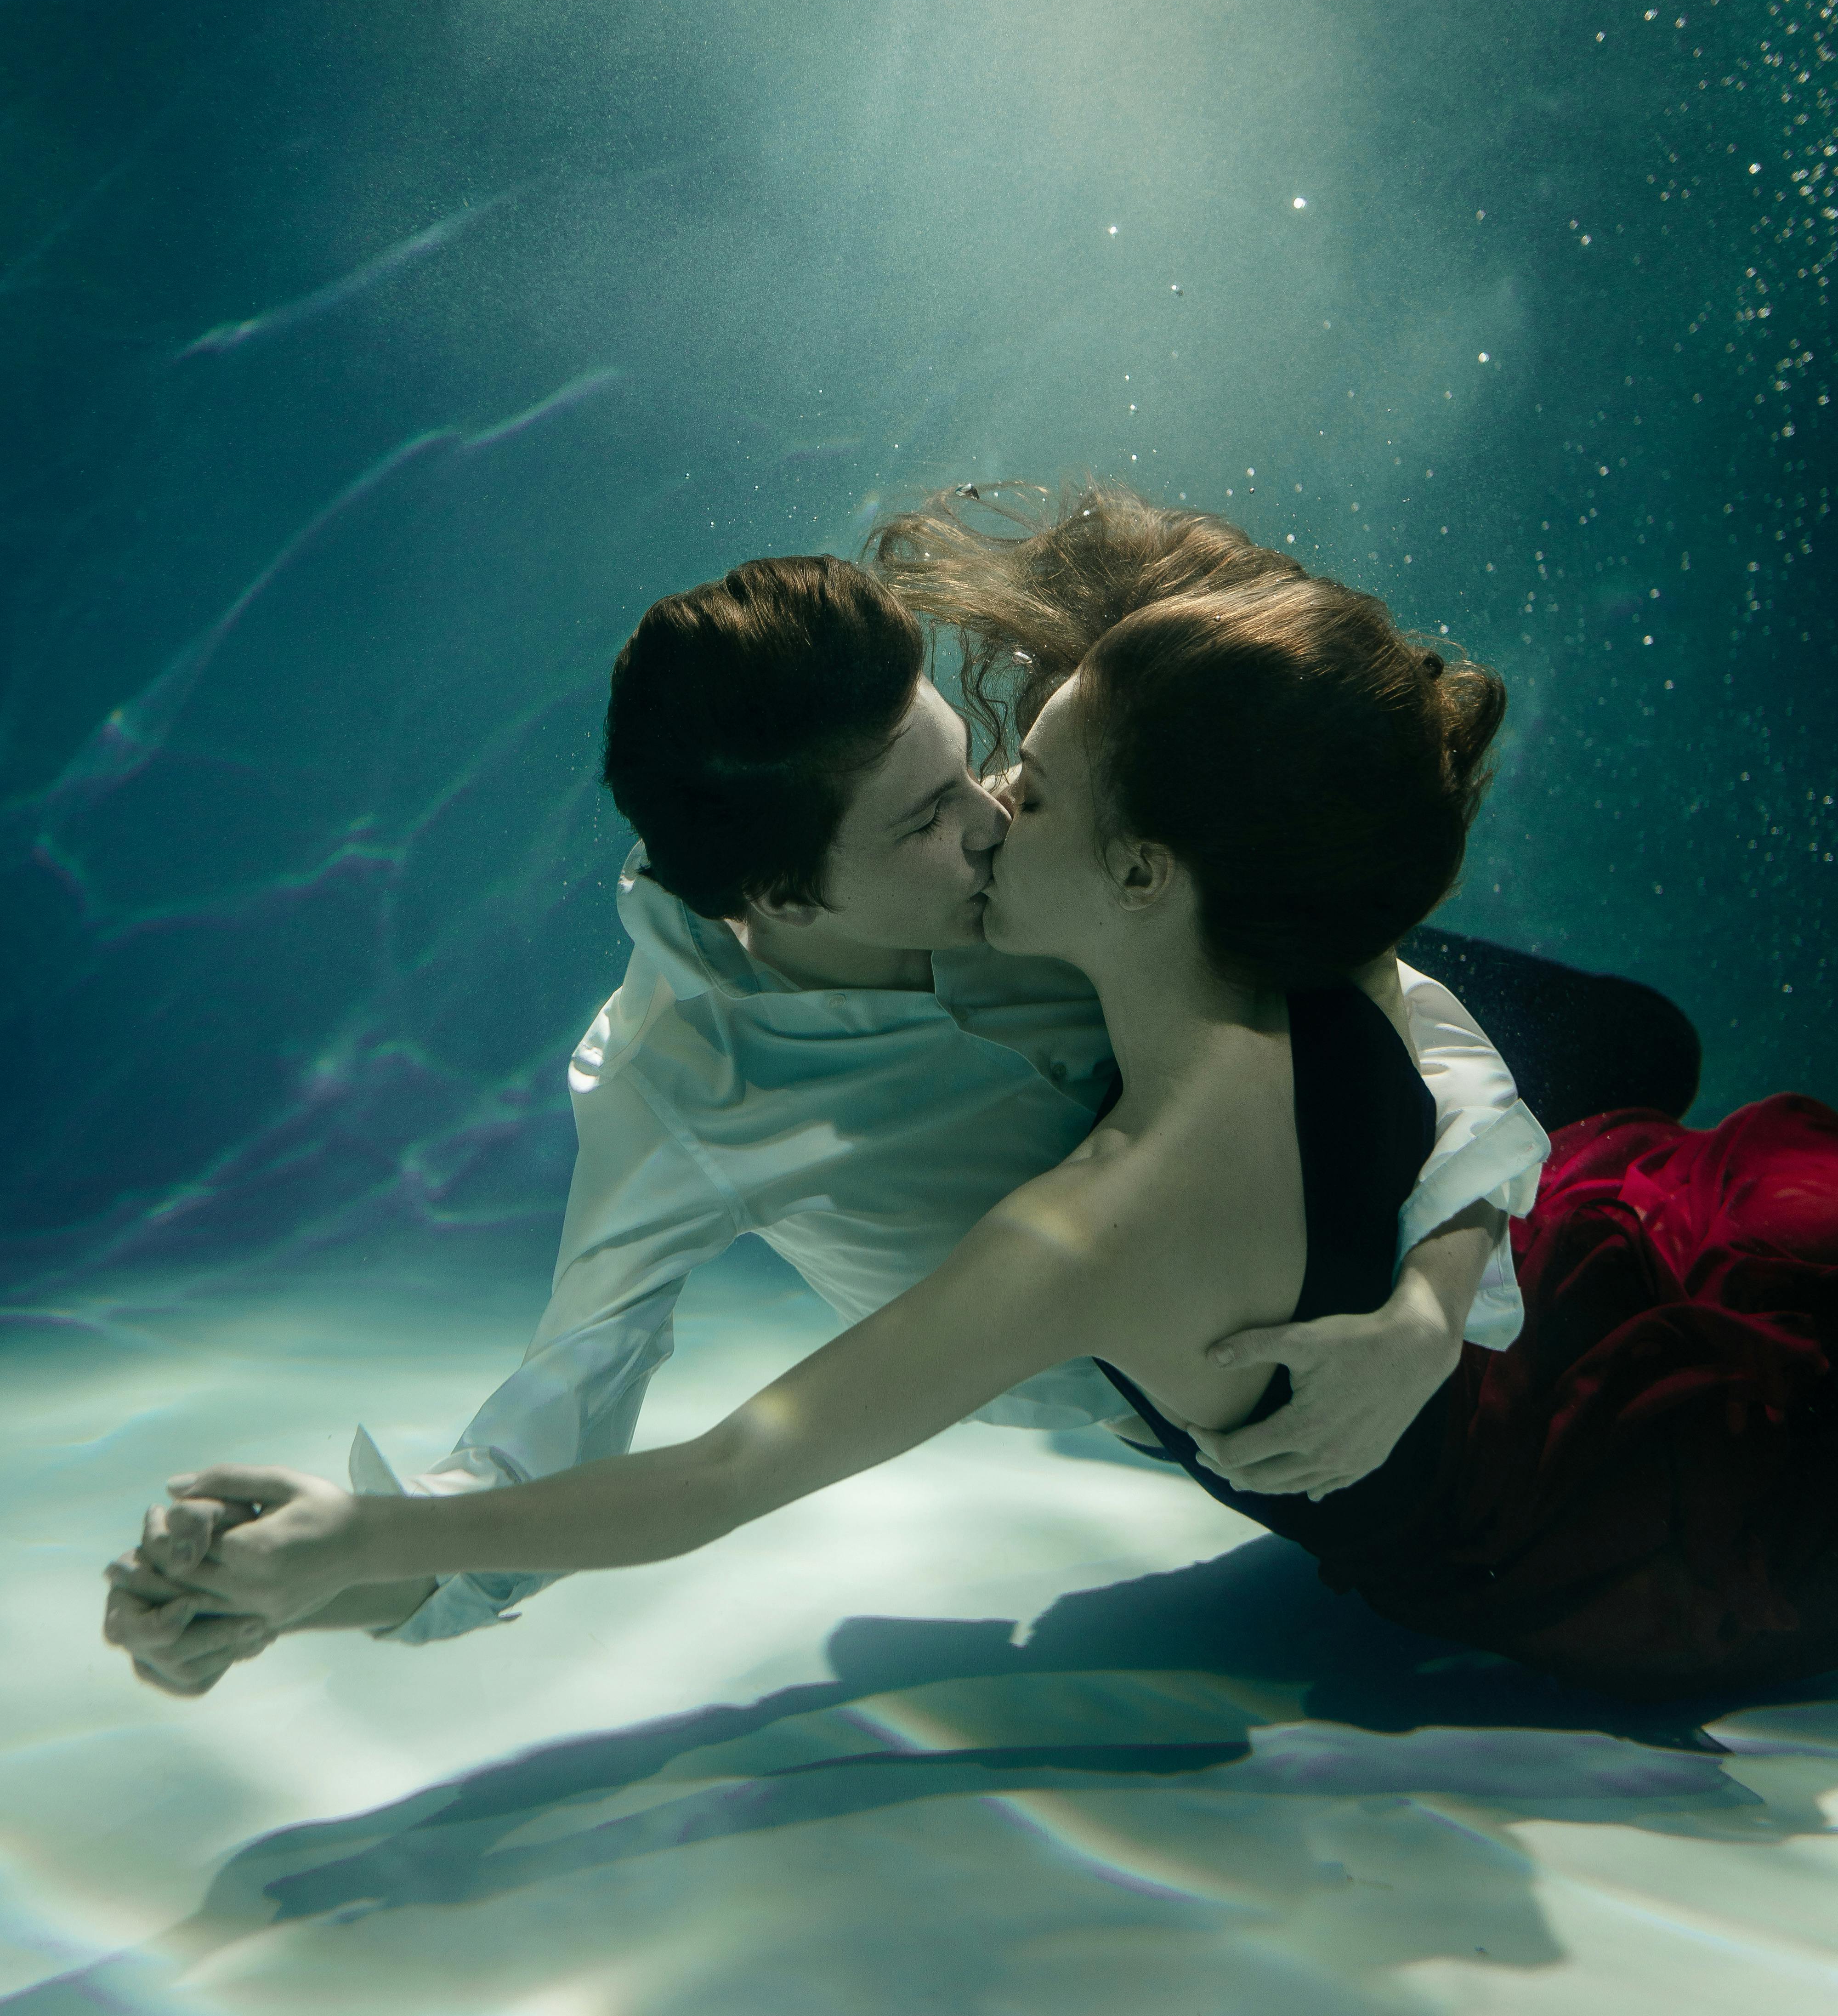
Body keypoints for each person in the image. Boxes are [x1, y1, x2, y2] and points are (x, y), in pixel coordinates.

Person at [120, 543, 1834, 1707]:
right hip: (1346, 1329)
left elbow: (1355, 963)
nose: (997, 814)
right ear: (787, 897)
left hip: (1430, 1200)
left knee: (1635, 1053)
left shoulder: (1074, 879)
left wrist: (1433, 1299)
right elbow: (589, 1448)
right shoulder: (693, 1088)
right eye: (941, 817)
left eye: (994, 768)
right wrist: (332, 1569)